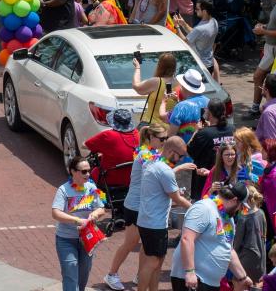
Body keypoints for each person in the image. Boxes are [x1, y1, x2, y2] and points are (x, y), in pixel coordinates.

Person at [103, 123, 168, 291]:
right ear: (151, 138)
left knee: (146, 245)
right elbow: (156, 175)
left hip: (144, 206)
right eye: (162, 139)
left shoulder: (154, 153)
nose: (164, 142)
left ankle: (141, 275)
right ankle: (111, 274)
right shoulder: (145, 155)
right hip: (135, 206)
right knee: (131, 242)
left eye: (166, 138)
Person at [168, 182, 253, 291]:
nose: (239, 210)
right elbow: (187, 239)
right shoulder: (204, 208)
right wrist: (190, 272)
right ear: (234, 200)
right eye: (241, 207)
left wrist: (243, 277)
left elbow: (228, 250)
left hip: (210, 283)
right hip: (194, 280)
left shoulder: (227, 218)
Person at [136, 136, 193, 291]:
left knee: (158, 261)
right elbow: (177, 198)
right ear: (170, 151)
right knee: (152, 262)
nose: (180, 159)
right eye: (179, 156)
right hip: (154, 223)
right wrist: (196, 209)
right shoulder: (165, 170)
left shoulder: (152, 162)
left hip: (147, 220)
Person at [50, 155, 108, 291]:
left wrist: (95, 214)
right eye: (83, 171)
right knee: (70, 272)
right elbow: (55, 213)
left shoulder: (91, 187)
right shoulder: (63, 190)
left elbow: (101, 208)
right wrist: (77, 220)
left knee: (84, 273)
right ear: (73, 172)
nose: (88, 174)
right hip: (66, 239)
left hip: (87, 239)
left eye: (89, 170)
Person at [187, 99, 235, 200]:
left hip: (205, 184)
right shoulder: (233, 129)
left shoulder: (204, 134)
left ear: (209, 113)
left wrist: (197, 131)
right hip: (228, 182)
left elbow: (190, 151)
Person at [85, 108, 139, 188]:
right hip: (133, 177)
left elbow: (86, 145)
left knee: (93, 172)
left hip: (110, 178)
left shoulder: (108, 135)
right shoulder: (137, 134)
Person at [175, 0, 219, 81]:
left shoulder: (200, 29)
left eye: (197, 9)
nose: (195, 11)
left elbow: (185, 41)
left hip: (199, 66)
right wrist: (184, 24)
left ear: (204, 11)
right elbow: (195, 33)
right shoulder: (214, 22)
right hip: (209, 63)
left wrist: (177, 27)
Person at [251, 0, 276, 116]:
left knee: (258, 76)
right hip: (269, 47)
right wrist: (264, 27)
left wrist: (263, 32)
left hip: (273, 49)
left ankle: (256, 109)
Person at [165, 69, 210, 146]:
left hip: (184, 152)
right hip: (205, 149)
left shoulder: (181, 107)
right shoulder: (209, 102)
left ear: (184, 87)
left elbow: (171, 136)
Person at [133, 52, 177, 126]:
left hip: (153, 128)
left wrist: (137, 67)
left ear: (159, 66)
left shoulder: (156, 81)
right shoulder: (180, 83)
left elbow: (136, 86)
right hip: (170, 128)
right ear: (175, 66)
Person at [234, 186, 266, 287]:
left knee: (238, 283)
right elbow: (264, 236)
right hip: (260, 255)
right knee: (255, 285)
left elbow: (237, 242)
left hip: (247, 255)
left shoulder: (244, 216)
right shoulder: (261, 213)